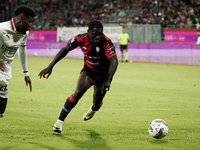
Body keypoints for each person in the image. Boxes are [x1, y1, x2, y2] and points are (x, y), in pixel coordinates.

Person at [38, 20, 118, 133]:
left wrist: (108, 79)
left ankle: (93, 109)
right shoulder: (81, 39)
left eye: (100, 33)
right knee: (78, 92)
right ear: (88, 32)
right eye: (95, 34)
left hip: (104, 74)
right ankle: (59, 122)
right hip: (89, 70)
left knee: (97, 100)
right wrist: (50, 66)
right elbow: (65, 49)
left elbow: (114, 60)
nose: (98, 37)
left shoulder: (106, 42)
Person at [0, 5, 36, 118]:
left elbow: (22, 50)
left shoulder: (24, 33)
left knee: (1, 112)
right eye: (29, 22)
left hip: (5, 69)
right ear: (21, 19)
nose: (31, 25)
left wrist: (26, 73)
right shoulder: (1, 29)